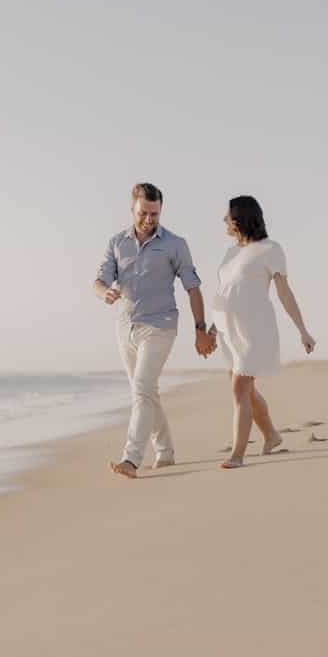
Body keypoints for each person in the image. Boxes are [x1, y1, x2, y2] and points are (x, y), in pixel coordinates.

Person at [94, 182, 215, 478]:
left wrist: (200, 329)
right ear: (132, 209)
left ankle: (131, 459)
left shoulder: (175, 244)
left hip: (160, 326)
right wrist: (104, 293)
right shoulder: (116, 242)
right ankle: (165, 451)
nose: (150, 219)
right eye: (144, 213)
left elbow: (193, 288)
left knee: (142, 391)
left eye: (155, 213)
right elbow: (99, 280)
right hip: (125, 327)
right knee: (146, 391)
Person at [208, 195, 315, 469]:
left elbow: (284, 293)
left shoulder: (270, 249)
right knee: (246, 389)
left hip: (254, 330)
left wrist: (302, 330)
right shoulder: (230, 253)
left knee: (239, 388)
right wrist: (211, 327)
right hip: (227, 331)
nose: (223, 220)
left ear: (239, 218)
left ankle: (237, 454)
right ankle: (271, 435)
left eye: (226, 215)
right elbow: (224, 293)